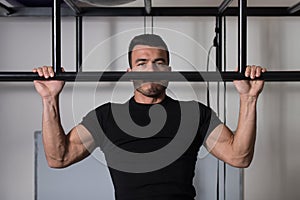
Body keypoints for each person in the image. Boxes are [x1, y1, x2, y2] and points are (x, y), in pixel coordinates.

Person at [33, 34, 266, 200]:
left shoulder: (194, 113)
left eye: (159, 62)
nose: (151, 70)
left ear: (169, 71)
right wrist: (49, 98)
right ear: (129, 72)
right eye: (141, 63)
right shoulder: (107, 116)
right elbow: (58, 158)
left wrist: (249, 98)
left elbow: (239, 158)